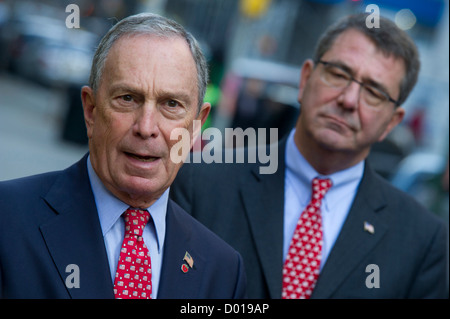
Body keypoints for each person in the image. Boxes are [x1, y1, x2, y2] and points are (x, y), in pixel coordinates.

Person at [171, 13, 448, 298]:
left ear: (392, 122)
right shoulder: (198, 182)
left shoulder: (422, 241)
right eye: (339, 74)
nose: (349, 100)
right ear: (305, 79)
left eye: (374, 92)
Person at [0, 13, 247, 299]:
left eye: (171, 104)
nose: (146, 127)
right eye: (128, 98)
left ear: (196, 126)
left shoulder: (223, 270)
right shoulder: (7, 220)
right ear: (91, 111)